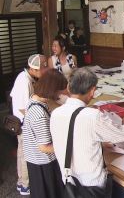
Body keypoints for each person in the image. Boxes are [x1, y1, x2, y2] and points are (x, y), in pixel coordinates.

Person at [50, 67, 124, 196]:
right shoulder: (93, 116)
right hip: (91, 185)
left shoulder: (55, 113)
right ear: (92, 91)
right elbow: (122, 136)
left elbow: (72, 136)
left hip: (68, 180)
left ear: (68, 88)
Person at [22, 69, 67, 198]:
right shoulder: (39, 113)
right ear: (52, 89)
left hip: (35, 160)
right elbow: (44, 147)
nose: (59, 95)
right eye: (59, 91)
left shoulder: (34, 100)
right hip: (43, 163)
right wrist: (68, 146)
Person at [10, 54, 47, 195]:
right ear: (36, 69)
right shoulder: (24, 81)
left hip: (24, 122)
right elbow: (23, 107)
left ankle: (22, 182)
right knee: (25, 155)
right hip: (24, 124)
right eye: (44, 67)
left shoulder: (26, 77)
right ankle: (25, 184)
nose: (45, 70)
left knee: (22, 153)